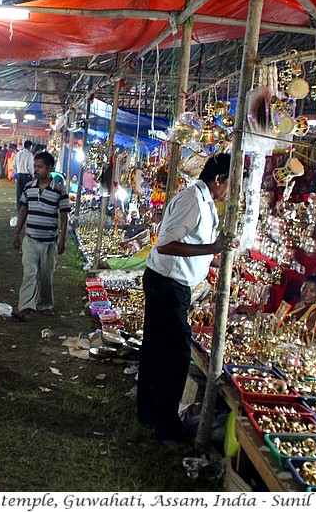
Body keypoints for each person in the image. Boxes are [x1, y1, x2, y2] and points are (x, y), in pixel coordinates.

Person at [136, 152, 239, 443]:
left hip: (172, 284)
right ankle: (166, 426)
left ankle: (149, 413)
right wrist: (212, 249)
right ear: (218, 179)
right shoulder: (193, 200)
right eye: (230, 184)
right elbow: (165, 244)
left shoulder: (205, 202)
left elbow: (193, 244)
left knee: (157, 350)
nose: (230, 192)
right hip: (167, 285)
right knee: (176, 356)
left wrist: (217, 258)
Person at [11, 151, 70, 321]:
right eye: (35, 166)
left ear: (49, 168)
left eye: (40, 166)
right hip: (30, 239)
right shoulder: (29, 187)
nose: (36, 170)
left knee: (46, 276)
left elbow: (64, 217)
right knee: (29, 273)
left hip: (49, 242)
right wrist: (17, 233)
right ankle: (26, 307)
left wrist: (63, 240)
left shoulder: (59, 190)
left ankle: (46, 304)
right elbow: (23, 211)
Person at [12, 140, 34, 209]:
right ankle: (26, 208)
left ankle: (19, 208)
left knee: (19, 193)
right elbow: (30, 166)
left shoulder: (18, 154)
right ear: (30, 147)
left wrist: (16, 173)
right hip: (27, 176)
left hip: (19, 175)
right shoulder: (29, 154)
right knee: (27, 193)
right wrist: (33, 175)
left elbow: (13, 165)